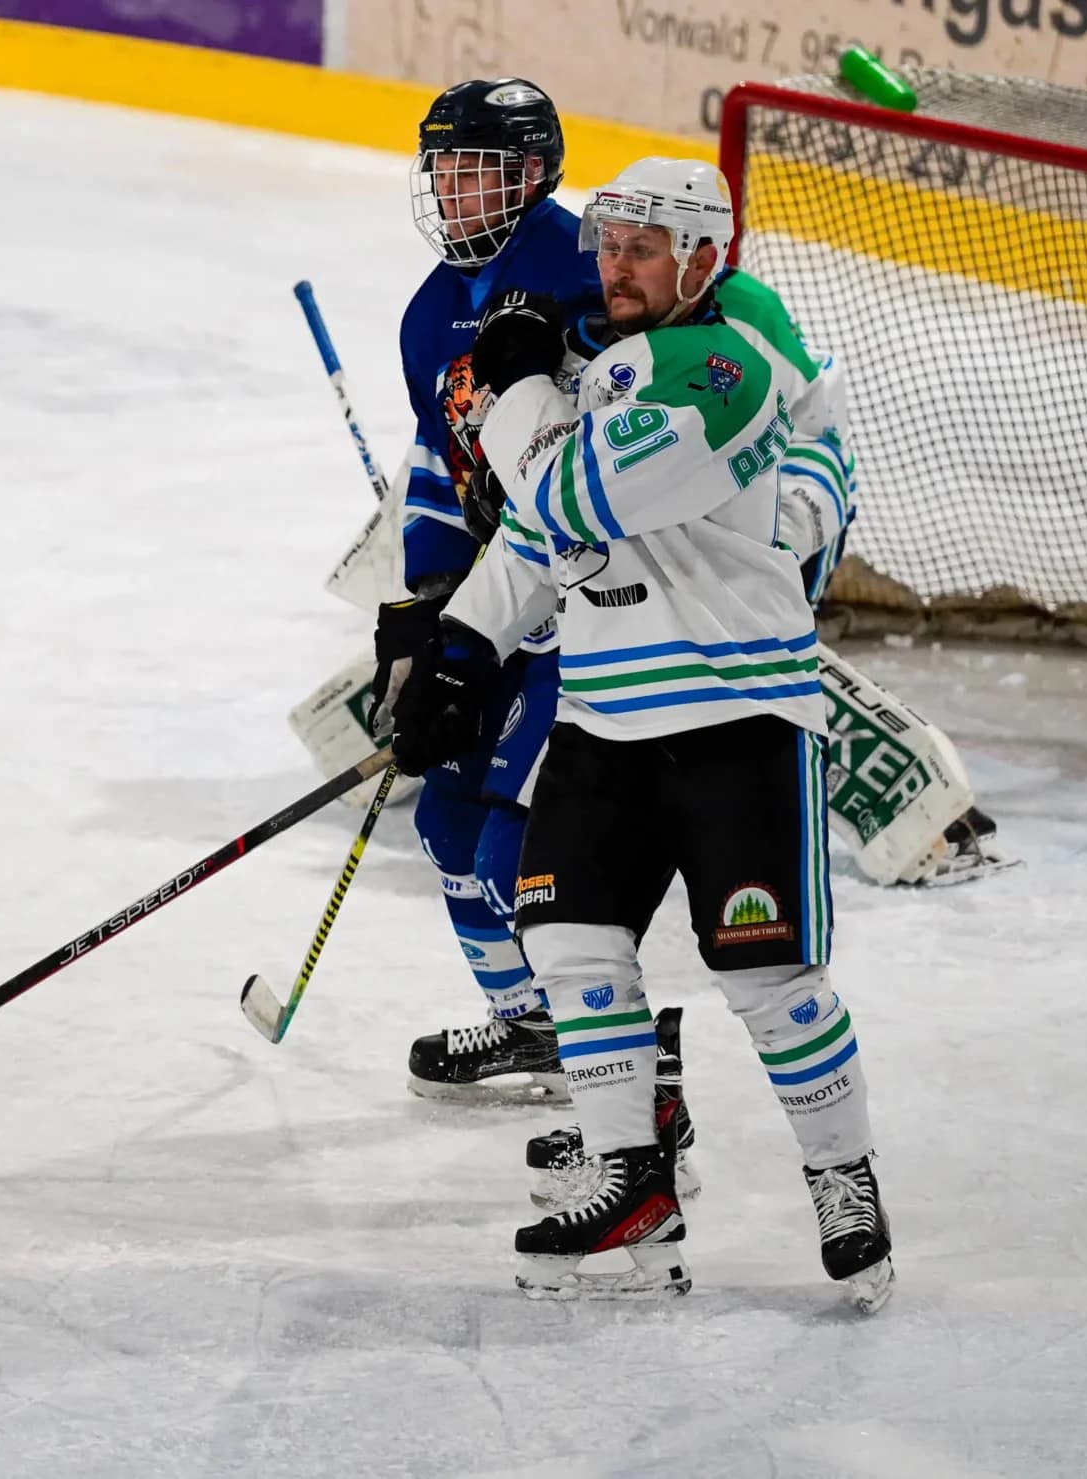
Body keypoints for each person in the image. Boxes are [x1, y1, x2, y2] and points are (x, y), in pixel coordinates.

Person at [389, 158, 896, 1313]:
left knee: (771, 982)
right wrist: (459, 649)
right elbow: (536, 546)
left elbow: (570, 499)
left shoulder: (724, 369)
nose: (613, 267)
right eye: (608, 245)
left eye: (644, 248)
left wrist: (516, 388)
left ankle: (842, 1175)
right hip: (608, 714)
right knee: (574, 953)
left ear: (704, 260)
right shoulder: (615, 363)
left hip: (738, 714)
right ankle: (633, 1179)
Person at [371, 78, 608, 1103]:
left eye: (484, 171)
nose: (460, 192)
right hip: (500, 603)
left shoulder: (582, 263)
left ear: (536, 173)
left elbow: (620, 445)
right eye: (448, 171)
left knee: (518, 837)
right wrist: (431, 597)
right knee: (446, 826)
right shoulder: (429, 317)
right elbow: (437, 467)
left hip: (597, 605)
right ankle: (528, 1027)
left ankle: (608, 1054)